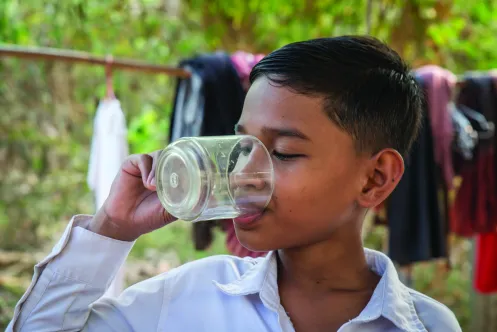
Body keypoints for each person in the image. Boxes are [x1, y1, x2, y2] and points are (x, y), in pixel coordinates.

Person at [8, 36, 461, 331]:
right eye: (243, 146)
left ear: (374, 178)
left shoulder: (426, 325)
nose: (244, 172)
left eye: (283, 152)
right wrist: (111, 227)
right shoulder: (187, 297)